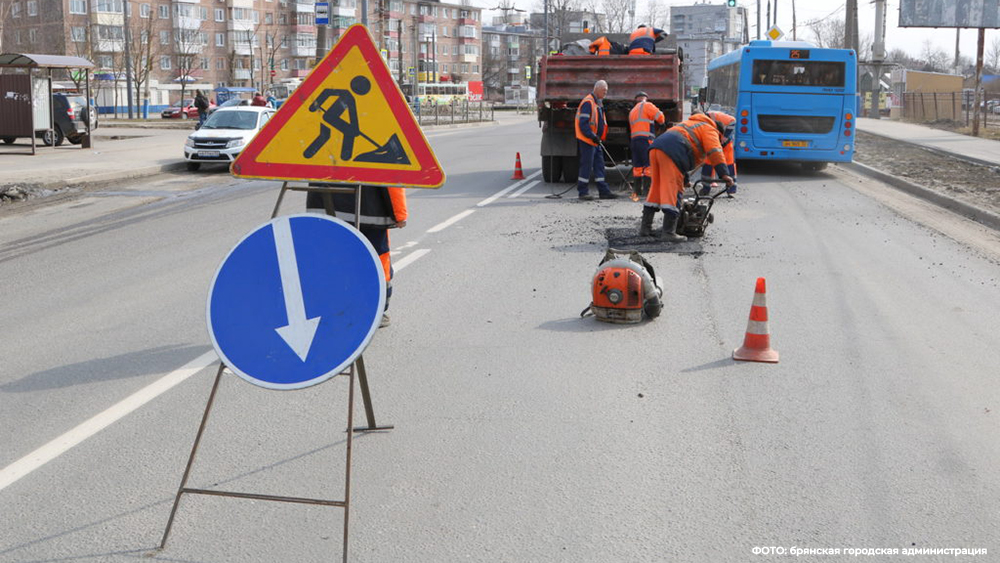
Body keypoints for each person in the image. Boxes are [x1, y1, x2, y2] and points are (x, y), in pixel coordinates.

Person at [306, 185, 408, 328]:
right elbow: (391, 178)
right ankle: (375, 312)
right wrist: (399, 214)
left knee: (331, 260)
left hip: (324, 206)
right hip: (370, 213)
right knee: (375, 262)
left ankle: (330, 310)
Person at [639, 111, 734, 241]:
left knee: (656, 188)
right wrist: (724, 174)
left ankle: (645, 229)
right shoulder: (709, 128)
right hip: (672, 151)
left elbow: (682, 157)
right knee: (673, 189)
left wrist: (686, 179)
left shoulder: (690, 124)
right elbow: (715, 151)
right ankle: (668, 232)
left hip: (656, 148)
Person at [575, 80, 617, 200]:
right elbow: (583, 124)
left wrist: (597, 138)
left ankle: (604, 191)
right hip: (588, 140)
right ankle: (583, 192)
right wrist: (592, 136)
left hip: (595, 141)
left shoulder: (597, 103)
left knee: (600, 166)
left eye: (606, 91)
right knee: (586, 166)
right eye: (604, 91)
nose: (605, 93)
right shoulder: (588, 102)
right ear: (597, 89)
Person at [628, 91, 666, 196]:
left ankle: (637, 190)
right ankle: (646, 190)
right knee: (648, 164)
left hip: (634, 140)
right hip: (645, 140)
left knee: (637, 165)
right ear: (645, 98)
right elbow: (660, 117)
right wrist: (662, 124)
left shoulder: (632, 111)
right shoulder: (647, 105)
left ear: (636, 100)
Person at [698, 111, 738, 195]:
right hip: (712, 144)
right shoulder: (699, 123)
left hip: (725, 145)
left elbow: (733, 121)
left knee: (729, 166)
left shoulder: (715, 116)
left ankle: (731, 189)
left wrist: (725, 136)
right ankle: (706, 189)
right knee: (707, 166)